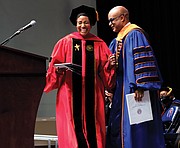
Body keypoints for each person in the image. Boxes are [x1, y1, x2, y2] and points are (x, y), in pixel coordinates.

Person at [44, 5, 116, 148]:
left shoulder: (100, 44)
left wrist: (111, 64)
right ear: (76, 24)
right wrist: (59, 70)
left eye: (86, 22)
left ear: (91, 24)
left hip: (93, 95)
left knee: (93, 128)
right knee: (72, 128)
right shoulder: (65, 42)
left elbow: (105, 72)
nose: (83, 26)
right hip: (69, 93)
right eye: (80, 23)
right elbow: (54, 68)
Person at [106, 6, 166, 148]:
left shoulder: (135, 34)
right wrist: (111, 64)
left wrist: (141, 86)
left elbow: (142, 63)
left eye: (112, 20)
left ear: (123, 17)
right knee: (118, 126)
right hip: (120, 89)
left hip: (134, 90)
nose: (110, 24)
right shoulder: (117, 40)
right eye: (108, 21)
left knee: (138, 127)